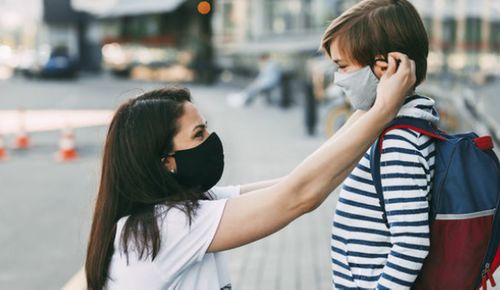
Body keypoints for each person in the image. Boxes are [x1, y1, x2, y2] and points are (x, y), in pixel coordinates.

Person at [84, 51, 416, 289]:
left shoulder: (189, 206)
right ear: (165, 162)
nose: (212, 140)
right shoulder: (165, 226)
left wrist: (372, 100)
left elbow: (297, 182)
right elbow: (298, 197)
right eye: (198, 134)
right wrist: (384, 108)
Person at [320, 0, 438, 289]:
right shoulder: (393, 126)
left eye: (343, 67)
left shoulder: (398, 142)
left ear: (385, 65)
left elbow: (410, 244)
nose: (339, 80)